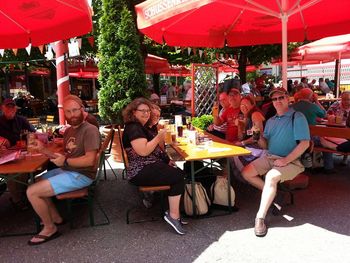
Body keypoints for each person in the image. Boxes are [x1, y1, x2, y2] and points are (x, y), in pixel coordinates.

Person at [26, 95, 101, 245]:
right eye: (68, 112)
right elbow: (62, 159)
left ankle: (49, 228)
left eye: (75, 110)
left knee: (32, 191)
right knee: (35, 181)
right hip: (70, 170)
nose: (72, 115)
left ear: (82, 110)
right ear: (64, 113)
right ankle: (55, 218)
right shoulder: (68, 132)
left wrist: (65, 161)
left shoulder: (90, 130)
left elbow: (90, 160)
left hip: (82, 174)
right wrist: (43, 149)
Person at [241, 87, 310, 237]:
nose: (278, 101)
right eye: (274, 99)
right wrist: (258, 136)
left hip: (292, 161)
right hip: (270, 156)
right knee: (246, 173)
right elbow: (265, 146)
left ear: (288, 98)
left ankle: (260, 218)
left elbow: (304, 143)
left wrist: (286, 160)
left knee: (271, 177)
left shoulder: (297, 117)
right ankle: (276, 195)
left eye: (281, 98)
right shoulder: (271, 120)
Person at [122, 98, 186, 235]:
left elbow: (155, 150)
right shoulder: (133, 127)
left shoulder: (142, 127)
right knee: (179, 176)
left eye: (148, 111)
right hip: (140, 170)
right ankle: (173, 216)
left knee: (178, 172)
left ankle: (174, 212)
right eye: (142, 111)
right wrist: (159, 137)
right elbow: (143, 151)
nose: (146, 113)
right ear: (133, 112)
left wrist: (166, 159)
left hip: (147, 166)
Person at [0, 98, 36, 209]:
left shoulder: (21, 120)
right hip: (4, 156)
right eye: (7, 107)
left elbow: (33, 132)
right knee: (15, 172)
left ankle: (22, 193)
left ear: (16, 108)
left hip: (20, 154)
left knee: (28, 168)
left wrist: (30, 137)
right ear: (2, 108)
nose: (10, 109)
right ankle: (17, 199)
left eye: (12, 107)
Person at [231, 94, 266, 175]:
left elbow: (257, 136)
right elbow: (241, 137)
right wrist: (240, 125)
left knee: (233, 154)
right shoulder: (245, 117)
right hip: (252, 147)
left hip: (260, 150)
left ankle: (244, 177)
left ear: (252, 104)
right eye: (241, 104)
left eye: (246, 104)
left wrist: (242, 143)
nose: (243, 107)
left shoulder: (255, 115)